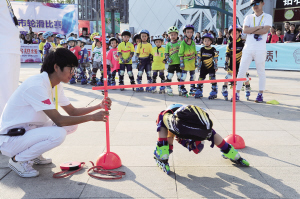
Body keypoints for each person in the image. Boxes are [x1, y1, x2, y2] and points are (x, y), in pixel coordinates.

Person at [0, 48, 111, 178]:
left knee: (72, 125)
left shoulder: (56, 84)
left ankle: (33, 154)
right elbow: (59, 120)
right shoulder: (36, 85)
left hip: (27, 131)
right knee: (58, 133)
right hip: (12, 138)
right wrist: (92, 117)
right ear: (57, 67)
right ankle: (18, 160)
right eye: (70, 68)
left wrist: (99, 106)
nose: (73, 73)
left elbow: (72, 111)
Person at [154, 104, 249, 174]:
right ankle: (233, 154)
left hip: (183, 126)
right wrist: (183, 141)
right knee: (212, 134)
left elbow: (170, 141)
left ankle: (162, 155)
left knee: (162, 116)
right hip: (204, 128)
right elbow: (197, 149)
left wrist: (167, 151)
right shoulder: (188, 114)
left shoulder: (173, 119)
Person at [235, 0, 272, 103]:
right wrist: (258, 27)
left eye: (256, 3)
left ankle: (260, 94)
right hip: (248, 48)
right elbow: (245, 30)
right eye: (252, 4)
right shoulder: (249, 17)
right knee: (241, 71)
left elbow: (265, 31)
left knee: (261, 72)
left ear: (262, 3)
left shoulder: (268, 17)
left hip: (260, 48)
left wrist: (252, 29)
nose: (254, 6)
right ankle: (236, 93)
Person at [0, 0, 21, 116]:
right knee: (3, 95)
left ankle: (6, 125)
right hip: (3, 49)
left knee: (10, 94)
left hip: (12, 49)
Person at [222, 25, 251, 101]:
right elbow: (227, 54)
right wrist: (226, 62)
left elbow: (247, 53)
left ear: (240, 33)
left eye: (236, 33)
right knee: (228, 76)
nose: (234, 35)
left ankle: (247, 89)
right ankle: (224, 89)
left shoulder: (243, 43)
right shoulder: (230, 44)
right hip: (232, 63)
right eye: (232, 34)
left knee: (244, 77)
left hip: (241, 63)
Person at [195, 33, 218, 99]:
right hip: (203, 67)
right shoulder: (202, 49)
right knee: (201, 79)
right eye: (205, 41)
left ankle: (214, 91)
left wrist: (216, 65)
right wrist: (198, 65)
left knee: (212, 79)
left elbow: (215, 58)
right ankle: (199, 90)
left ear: (211, 41)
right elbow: (199, 58)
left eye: (208, 41)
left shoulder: (213, 49)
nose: (207, 42)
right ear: (203, 41)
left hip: (211, 67)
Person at [178, 24, 197, 97]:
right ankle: (181, 87)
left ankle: (192, 88)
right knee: (183, 76)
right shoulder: (183, 43)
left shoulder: (192, 42)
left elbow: (195, 53)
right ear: (185, 33)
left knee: (193, 76)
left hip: (192, 63)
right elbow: (181, 54)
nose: (189, 34)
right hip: (185, 63)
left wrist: (196, 62)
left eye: (191, 32)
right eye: (188, 32)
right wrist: (181, 63)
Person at [165, 26, 182, 96]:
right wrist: (167, 58)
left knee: (180, 76)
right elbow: (166, 53)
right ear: (169, 36)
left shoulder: (180, 43)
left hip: (179, 63)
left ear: (177, 35)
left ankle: (180, 87)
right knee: (170, 75)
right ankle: (168, 87)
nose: (173, 36)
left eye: (175, 34)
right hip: (171, 63)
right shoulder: (168, 44)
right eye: (171, 35)